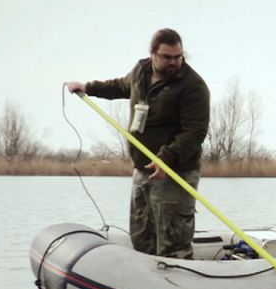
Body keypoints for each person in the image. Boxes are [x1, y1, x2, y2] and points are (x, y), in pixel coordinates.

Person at [65, 28, 210, 259]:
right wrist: (89, 87)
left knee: (172, 242)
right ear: (153, 54)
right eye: (167, 57)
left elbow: (195, 132)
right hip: (142, 170)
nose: (174, 62)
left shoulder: (193, 86)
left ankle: (179, 275)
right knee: (141, 235)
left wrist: (165, 158)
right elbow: (120, 86)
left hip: (175, 173)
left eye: (178, 57)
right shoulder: (140, 72)